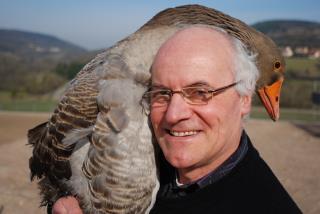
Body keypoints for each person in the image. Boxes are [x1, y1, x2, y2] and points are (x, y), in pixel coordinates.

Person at [52, 26, 301, 213]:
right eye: (163, 93)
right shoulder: (145, 169)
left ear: (244, 98)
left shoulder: (268, 206)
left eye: (201, 92)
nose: (173, 114)